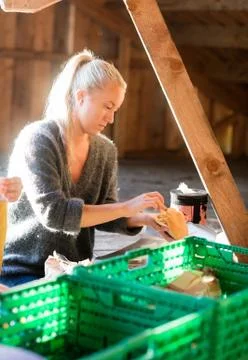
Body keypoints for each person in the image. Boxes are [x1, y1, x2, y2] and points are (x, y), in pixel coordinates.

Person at [0, 49, 167, 287]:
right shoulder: (38, 139)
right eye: (107, 107)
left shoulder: (106, 150)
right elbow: (55, 214)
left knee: (152, 249)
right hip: (27, 272)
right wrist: (126, 207)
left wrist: (143, 218)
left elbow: (105, 212)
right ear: (80, 97)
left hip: (77, 269)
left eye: (115, 110)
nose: (110, 118)